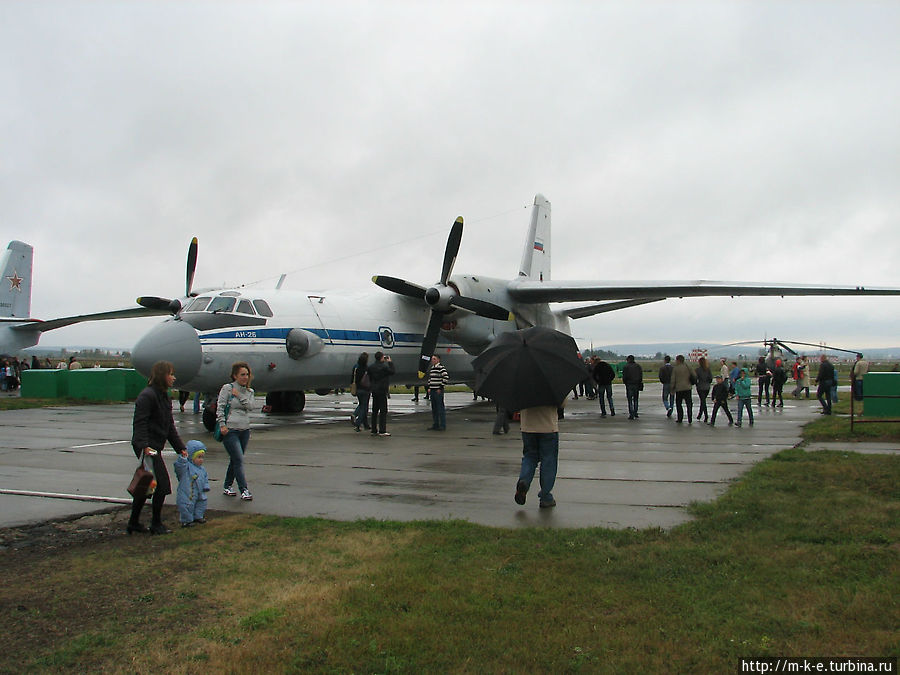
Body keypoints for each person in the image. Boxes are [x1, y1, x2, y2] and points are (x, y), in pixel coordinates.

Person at [129, 360, 187, 535]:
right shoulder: (148, 396)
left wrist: (180, 447)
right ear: (162, 376)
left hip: (155, 446)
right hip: (149, 447)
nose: (173, 378)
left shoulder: (164, 396)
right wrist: (144, 446)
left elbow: (169, 426)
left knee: (146, 485)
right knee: (161, 485)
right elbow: (140, 423)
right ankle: (155, 524)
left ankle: (133, 523)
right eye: (171, 374)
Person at [217, 361, 257, 500]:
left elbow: (250, 406)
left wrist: (239, 395)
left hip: (244, 429)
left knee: (235, 460)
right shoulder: (227, 388)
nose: (245, 377)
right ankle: (244, 489)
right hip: (231, 430)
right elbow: (221, 407)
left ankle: (227, 486)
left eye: (247, 375)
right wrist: (222, 424)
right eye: (242, 375)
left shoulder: (249, 392)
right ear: (235, 376)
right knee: (238, 459)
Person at [514, 401, 563, 509]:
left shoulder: (523, 389)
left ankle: (524, 480)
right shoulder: (552, 389)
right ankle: (545, 496)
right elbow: (562, 402)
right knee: (548, 461)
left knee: (529, 457)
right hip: (548, 426)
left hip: (527, 426)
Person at [174, 440, 210, 527]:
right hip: (188, 491)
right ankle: (186, 520)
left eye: (202, 457)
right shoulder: (186, 467)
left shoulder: (202, 469)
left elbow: (205, 478)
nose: (201, 460)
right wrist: (183, 458)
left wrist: (206, 486)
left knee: (201, 503)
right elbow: (179, 467)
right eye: (198, 457)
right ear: (191, 457)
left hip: (200, 490)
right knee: (187, 505)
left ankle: (198, 516)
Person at [367, 351, 395, 436]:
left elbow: (369, 376)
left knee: (374, 411)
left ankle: (374, 429)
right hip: (382, 390)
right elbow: (392, 371)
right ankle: (382, 430)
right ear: (382, 358)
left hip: (374, 390)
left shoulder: (371, 367)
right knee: (383, 411)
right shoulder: (384, 367)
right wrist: (390, 362)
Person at [427, 354, 449, 430]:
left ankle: (442, 425)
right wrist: (429, 387)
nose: (432, 360)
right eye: (432, 359)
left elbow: (446, 377)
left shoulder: (441, 368)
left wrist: (440, 387)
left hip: (438, 391)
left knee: (440, 408)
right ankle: (435, 424)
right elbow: (430, 378)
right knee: (434, 409)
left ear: (438, 360)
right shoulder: (432, 368)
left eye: (434, 359)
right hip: (432, 390)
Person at [670, 355, 694, 423]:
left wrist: (672, 388)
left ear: (678, 360)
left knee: (679, 404)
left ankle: (680, 418)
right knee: (689, 403)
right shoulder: (688, 367)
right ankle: (690, 417)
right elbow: (694, 375)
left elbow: (673, 380)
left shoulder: (675, 368)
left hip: (679, 388)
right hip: (688, 387)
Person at [350, 352, 371, 432]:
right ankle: (357, 423)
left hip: (358, 388)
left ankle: (365, 424)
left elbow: (352, 378)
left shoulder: (356, 367)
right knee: (364, 407)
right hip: (365, 389)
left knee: (362, 405)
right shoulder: (367, 368)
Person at [622, 355, 643, 420]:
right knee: (636, 399)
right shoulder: (638, 366)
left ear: (628, 359)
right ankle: (635, 412)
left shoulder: (626, 367)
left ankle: (631, 413)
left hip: (629, 384)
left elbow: (624, 376)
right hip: (636, 384)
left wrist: (625, 383)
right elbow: (640, 375)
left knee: (630, 400)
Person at [694, 356, 713, 423]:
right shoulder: (708, 369)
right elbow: (710, 378)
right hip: (707, 387)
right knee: (703, 401)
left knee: (703, 401)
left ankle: (704, 415)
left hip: (700, 387)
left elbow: (695, 378)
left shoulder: (697, 370)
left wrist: (697, 384)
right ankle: (701, 415)